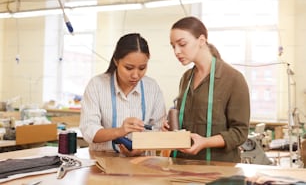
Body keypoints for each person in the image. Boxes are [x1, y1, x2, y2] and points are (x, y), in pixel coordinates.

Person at [163, 16, 250, 163]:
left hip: (218, 169)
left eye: (182, 44)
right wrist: (171, 127)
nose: (176, 51)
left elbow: (240, 132)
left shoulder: (233, 79)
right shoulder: (186, 78)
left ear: (201, 41)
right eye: (173, 46)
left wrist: (205, 142)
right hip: (182, 165)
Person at [80, 33, 166, 157]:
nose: (136, 75)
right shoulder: (96, 85)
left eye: (142, 68)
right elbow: (89, 130)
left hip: (141, 164)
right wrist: (119, 132)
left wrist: (142, 148)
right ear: (116, 61)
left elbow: (159, 130)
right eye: (129, 68)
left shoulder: (152, 87)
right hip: (102, 163)